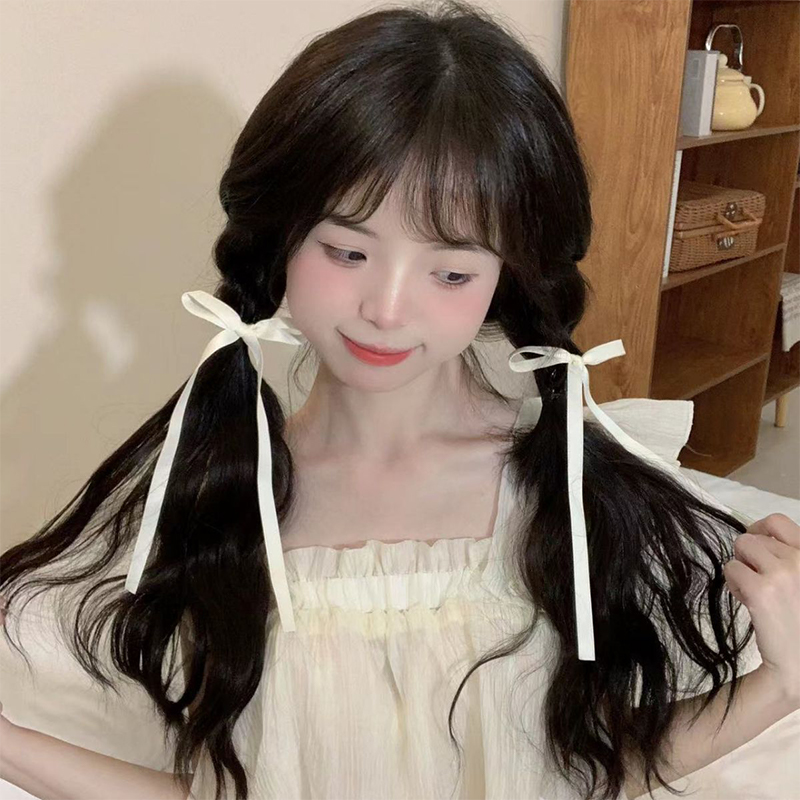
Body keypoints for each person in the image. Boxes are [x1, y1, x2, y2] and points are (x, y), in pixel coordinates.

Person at [2, 2, 799, 799]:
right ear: (281, 239)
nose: (386, 310)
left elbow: (589, 771)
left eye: (450, 272)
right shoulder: (220, 493)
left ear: (505, 278)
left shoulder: (560, 494)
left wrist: (780, 685)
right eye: (347, 251)